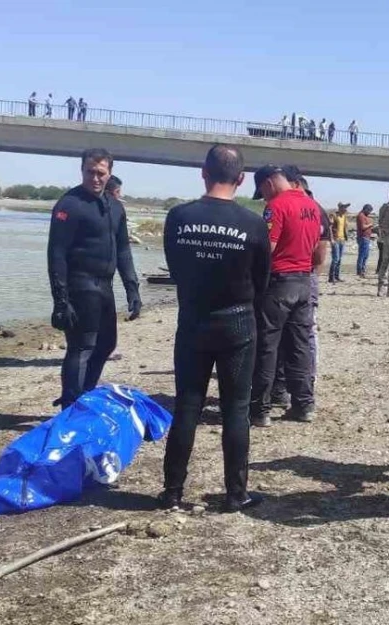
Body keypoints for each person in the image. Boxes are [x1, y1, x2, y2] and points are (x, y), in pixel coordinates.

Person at [159, 145, 270, 513]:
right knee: (236, 410)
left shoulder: (179, 217)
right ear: (240, 179)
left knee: (187, 406)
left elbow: (175, 270)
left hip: (193, 319)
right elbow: (262, 279)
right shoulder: (253, 223)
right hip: (237, 322)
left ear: (202, 173)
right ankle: (236, 494)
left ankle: (172, 492)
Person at [47, 149, 141, 409]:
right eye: (90, 172)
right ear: (82, 171)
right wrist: (60, 300)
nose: (95, 178)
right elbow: (56, 253)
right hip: (79, 285)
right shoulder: (69, 205)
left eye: (101, 173)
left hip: (104, 287)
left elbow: (123, 250)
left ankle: (83, 395)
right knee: (81, 347)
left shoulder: (115, 207)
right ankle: (71, 405)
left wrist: (132, 289)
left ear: (109, 173)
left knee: (106, 345)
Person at [248, 165, 323, 426]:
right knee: (300, 345)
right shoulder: (312, 206)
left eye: (262, 192)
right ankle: (303, 405)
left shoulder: (276, 206)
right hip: (304, 280)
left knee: (267, 347)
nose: (264, 198)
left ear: (268, 183)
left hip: (278, 282)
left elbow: (267, 247)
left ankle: (260, 410)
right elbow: (317, 248)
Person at [329, 202, 349, 283]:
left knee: (339, 259)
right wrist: (331, 239)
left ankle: (337, 276)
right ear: (340, 208)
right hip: (336, 239)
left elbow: (345, 227)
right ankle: (331, 277)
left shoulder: (344, 216)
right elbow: (329, 227)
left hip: (342, 239)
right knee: (335, 259)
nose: (346, 209)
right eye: (344, 208)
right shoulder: (334, 216)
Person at [355, 204, 374, 278]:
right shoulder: (361, 216)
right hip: (363, 237)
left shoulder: (365, 216)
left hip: (366, 237)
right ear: (366, 209)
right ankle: (360, 271)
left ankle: (363, 270)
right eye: (369, 211)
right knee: (362, 255)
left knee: (365, 255)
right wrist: (370, 225)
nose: (369, 213)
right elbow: (363, 227)